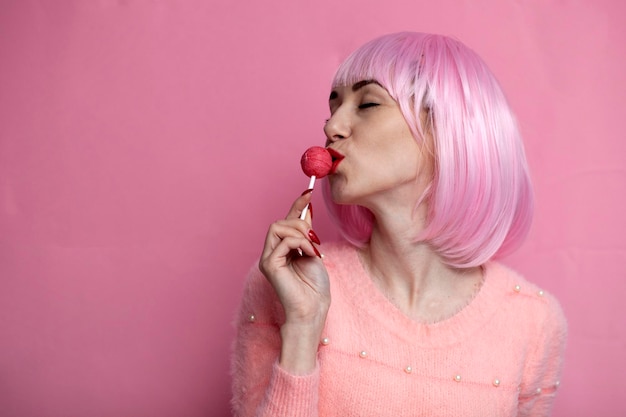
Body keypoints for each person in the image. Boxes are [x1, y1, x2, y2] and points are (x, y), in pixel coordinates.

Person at [231, 32, 567, 417]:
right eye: (333, 106)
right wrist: (303, 327)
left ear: (445, 130)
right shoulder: (284, 286)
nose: (332, 127)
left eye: (368, 103)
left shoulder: (532, 322)